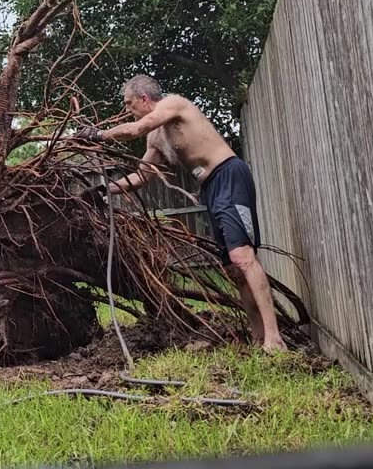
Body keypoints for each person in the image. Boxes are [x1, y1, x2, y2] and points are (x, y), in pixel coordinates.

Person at [77, 74, 286, 352]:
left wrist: (99, 135)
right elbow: (141, 176)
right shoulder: (156, 138)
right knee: (233, 269)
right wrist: (105, 190)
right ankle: (258, 335)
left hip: (228, 175)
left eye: (129, 104)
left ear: (143, 99)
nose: (128, 110)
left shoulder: (173, 104)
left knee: (243, 256)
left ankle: (275, 338)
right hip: (210, 187)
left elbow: (136, 128)